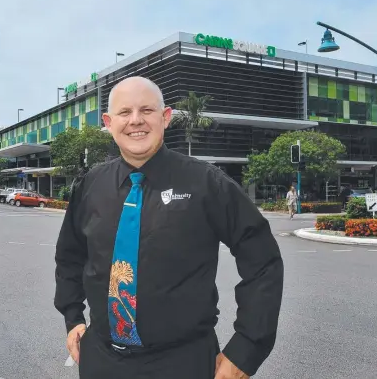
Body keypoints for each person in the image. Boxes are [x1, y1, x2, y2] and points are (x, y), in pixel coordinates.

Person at [54, 76, 284, 379]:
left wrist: (245, 349)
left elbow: (263, 262)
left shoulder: (206, 183)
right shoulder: (90, 186)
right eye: (125, 113)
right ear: (109, 123)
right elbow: (70, 256)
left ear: (165, 118)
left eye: (147, 110)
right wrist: (73, 318)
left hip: (183, 363)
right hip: (101, 359)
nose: (136, 121)